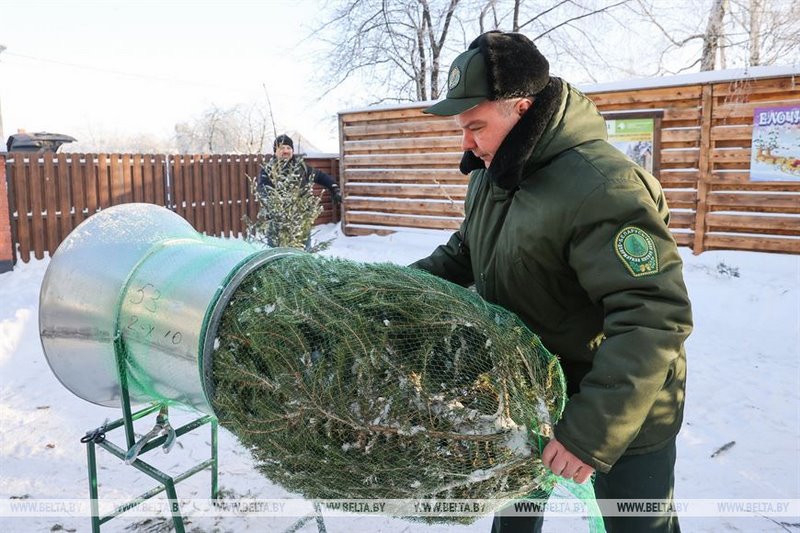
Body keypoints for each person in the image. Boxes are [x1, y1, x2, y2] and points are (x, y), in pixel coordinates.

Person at [411, 31, 692, 533]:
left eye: (475, 126)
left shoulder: (603, 187)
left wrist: (591, 432)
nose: (466, 144)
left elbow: (653, 318)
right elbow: (464, 253)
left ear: (521, 109)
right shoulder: (493, 172)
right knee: (513, 517)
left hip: (621, 410)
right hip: (530, 394)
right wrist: (380, 294)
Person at [258, 134, 342, 203]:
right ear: (275, 151)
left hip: (302, 218)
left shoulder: (301, 167)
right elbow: (263, 189)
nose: (286, 151)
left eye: (288, 148)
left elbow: (320, 176)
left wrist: (334, 188)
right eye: (282, 148)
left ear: (292, 151)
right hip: (279, 219)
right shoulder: (268, 170)